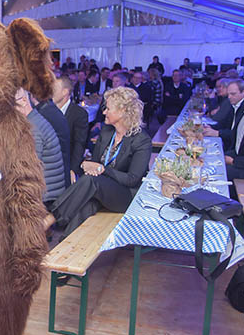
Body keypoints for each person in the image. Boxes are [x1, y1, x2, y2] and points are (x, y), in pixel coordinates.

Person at [50, 87, 152, 236]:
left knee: (92, 182)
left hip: (127, 195)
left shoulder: (141, 140)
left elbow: (132, 179)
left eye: (108, 109)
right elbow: (96, 164)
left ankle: (51, 219)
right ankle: (63, 245)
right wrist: (86, 165)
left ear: (123, 111)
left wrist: (102, 170)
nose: (104, 112)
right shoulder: (106, 132)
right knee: (87, 206)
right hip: (102, 187)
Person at [15, 88, 65, 206]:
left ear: (23, 101)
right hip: (50, 190)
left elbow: (29, 167)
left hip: (46, 197)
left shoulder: (33, 128)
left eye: (12, 105)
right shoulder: (36, 119)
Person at [52, 75, 88, 178]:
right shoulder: (47, 109)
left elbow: (79, 143)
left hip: (66, 163)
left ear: (65, 92)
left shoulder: (79, 114)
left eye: (54, 89)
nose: (51, 92)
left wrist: (73, 169)